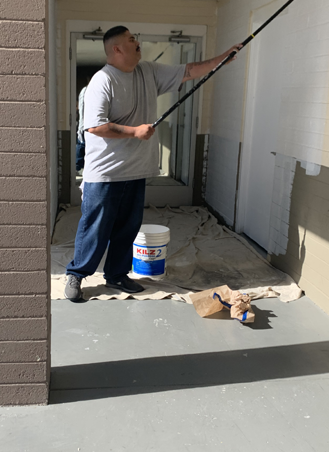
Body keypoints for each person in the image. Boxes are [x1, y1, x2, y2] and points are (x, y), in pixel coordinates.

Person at [65, 25, 240, 301]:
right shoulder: (102, 80)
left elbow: (188, 71)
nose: (137, 42)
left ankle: (117, 275)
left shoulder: (148, 71)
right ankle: (77, 273)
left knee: (128, 227)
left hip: (136, 170)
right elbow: (95, 126)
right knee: (95, 228)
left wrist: (221, 59)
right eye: (131, 39)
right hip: (105, 173)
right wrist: (134, 131)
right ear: (117, 48)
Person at [75, 84, 87, 172]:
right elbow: (82, 108)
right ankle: (76, 167)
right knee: (81, 146)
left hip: (85, 125)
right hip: (85, 126)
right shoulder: (86, 90)